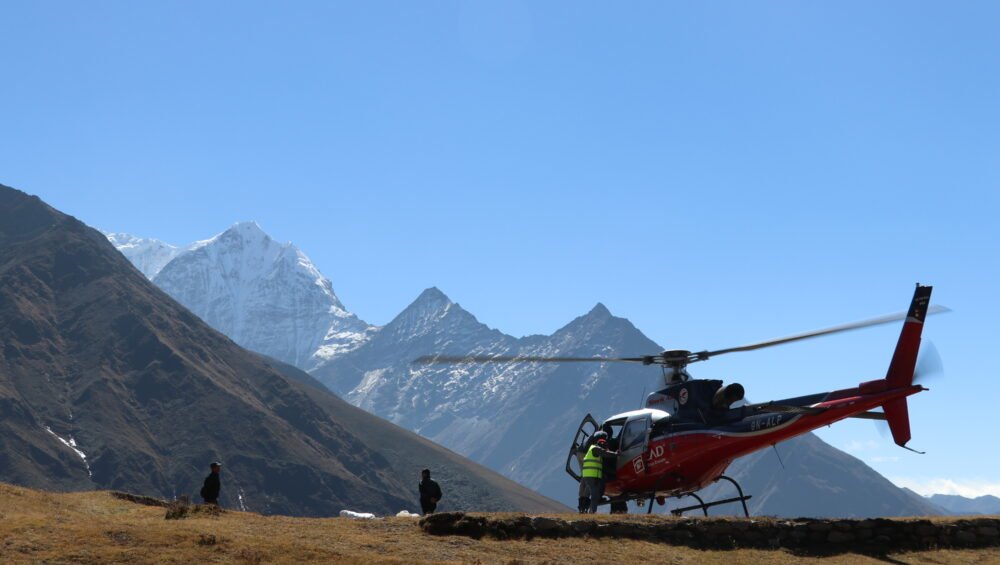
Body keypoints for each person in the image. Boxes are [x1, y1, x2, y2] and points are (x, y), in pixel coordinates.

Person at [582, 432, 617, 513]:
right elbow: (606, 453)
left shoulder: (593, 449)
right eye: (604, 446)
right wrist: (616, 454)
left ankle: (590, 510)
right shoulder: (595, 449)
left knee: (596, 493)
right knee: (595, 494)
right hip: (591, 475)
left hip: (591, 475)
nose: (605, 448)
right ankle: (592, 512)